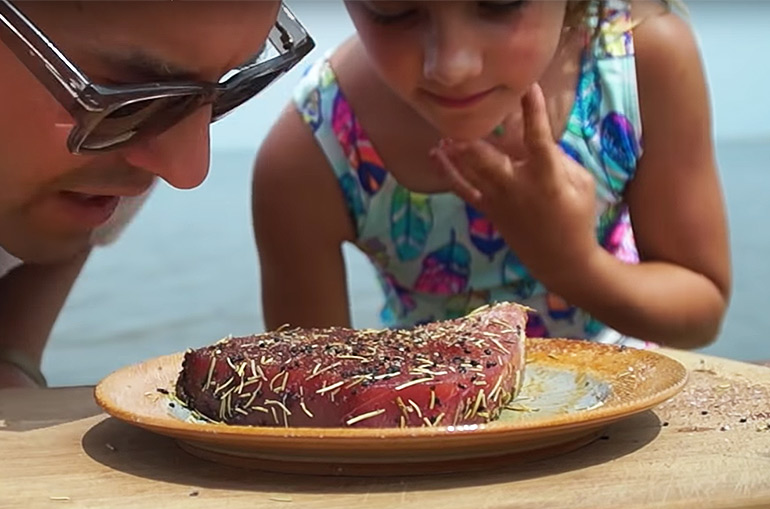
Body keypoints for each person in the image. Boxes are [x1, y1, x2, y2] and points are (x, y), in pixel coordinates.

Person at [252, 0, 731, 350]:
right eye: (393, 9)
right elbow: (306, 393)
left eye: (501, 2)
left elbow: (699, 313)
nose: (452, 66)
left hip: (621, 424)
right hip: (436, 443)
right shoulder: (312, 153)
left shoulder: (639, 59)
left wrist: (573, 265)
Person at [0, 0, 314, 387]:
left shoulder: (117, 154)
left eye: (226, 89)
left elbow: (67, 232)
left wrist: (15, 357)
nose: (187, 169)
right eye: (129, 93)